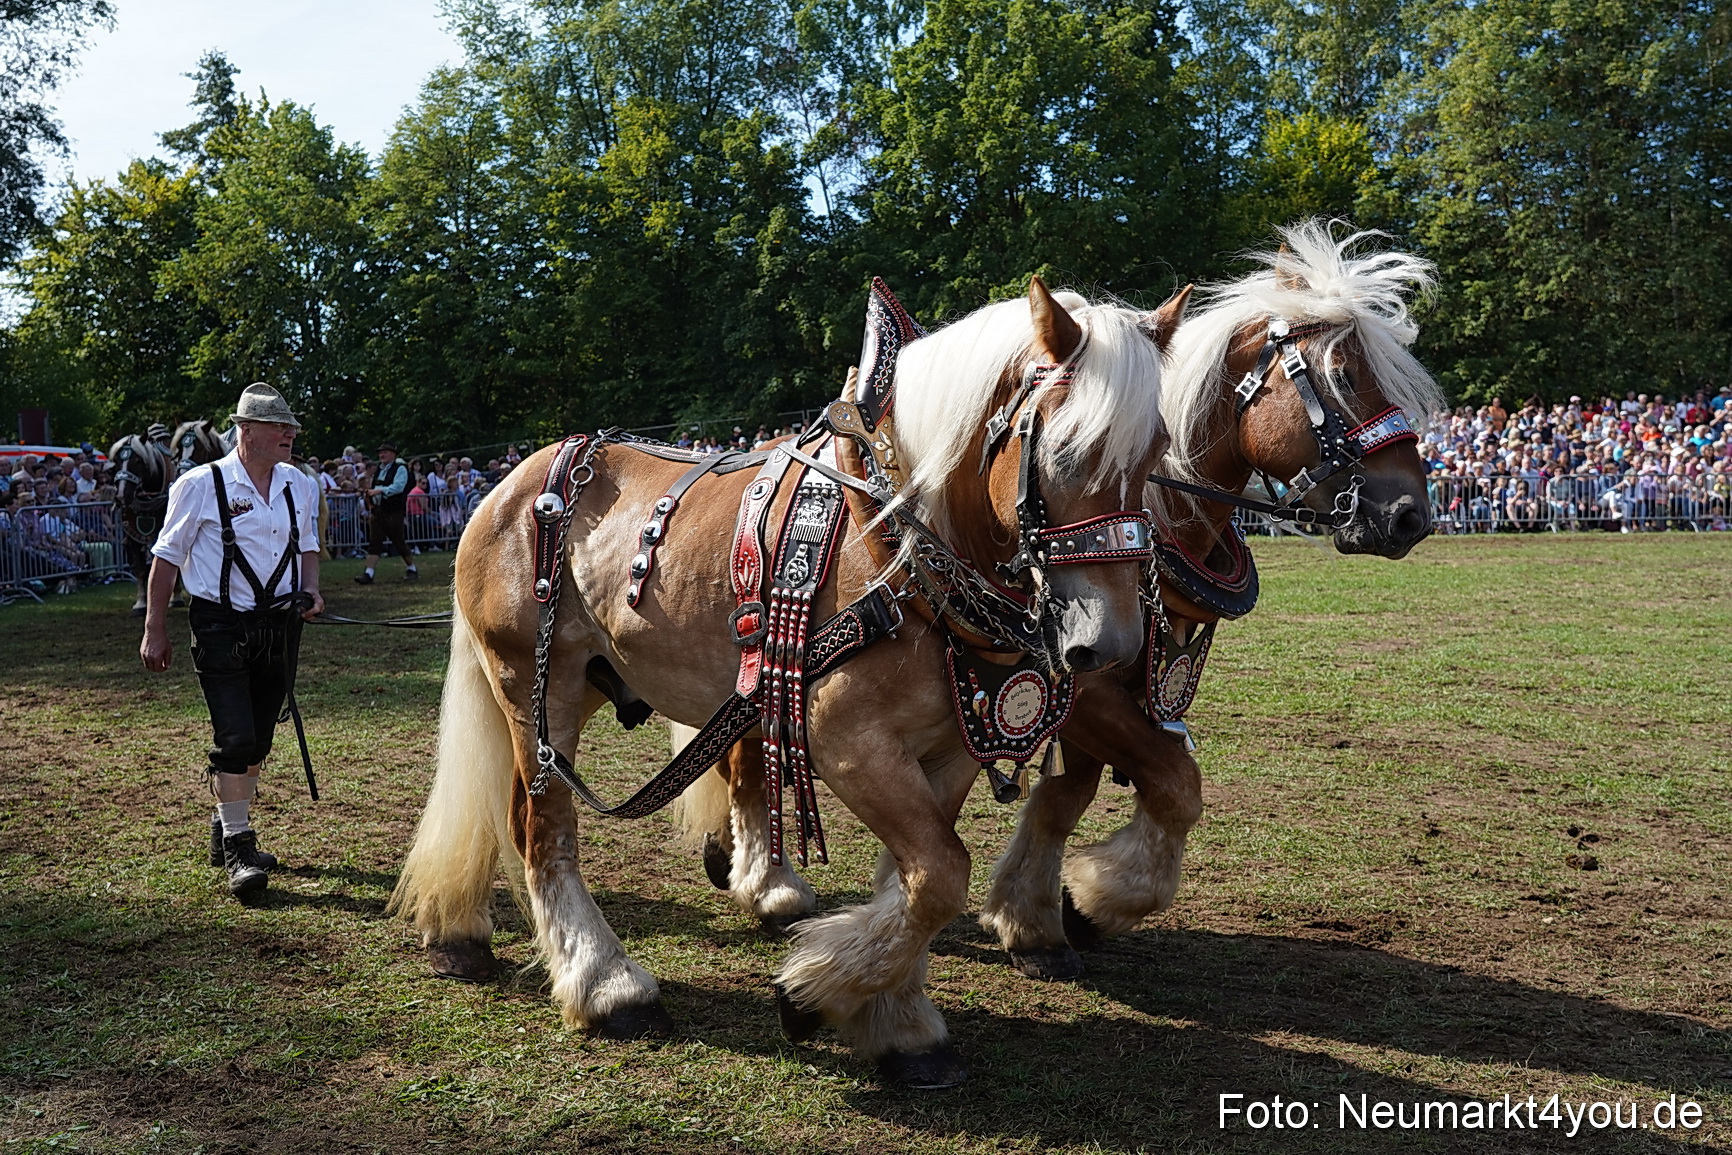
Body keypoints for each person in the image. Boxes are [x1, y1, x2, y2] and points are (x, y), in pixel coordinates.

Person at [139, 383, 323, 900]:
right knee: (237, 738)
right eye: (279, 426)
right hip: (219, 623)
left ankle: (227, 823)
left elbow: (306, 545)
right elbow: (166, 560)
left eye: (291, 426)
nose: (289, 433)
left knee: (260, 736)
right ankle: (241, 847)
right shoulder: (201, 484)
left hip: (281, 626)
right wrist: (155, 627)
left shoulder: (298, 483)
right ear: (246, 431)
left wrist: (311, 591)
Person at [355, 441, 415, 583]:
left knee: (398, 541)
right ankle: (368, 573)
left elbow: (398, 487)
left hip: (393, 511)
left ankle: (411, 567)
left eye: (385, 452)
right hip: (378, 511)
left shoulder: (400, 469)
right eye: (380, 452)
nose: (382, 455)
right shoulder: (379, 470)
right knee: (375, 541)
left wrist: (379, 490)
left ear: (393, 454)